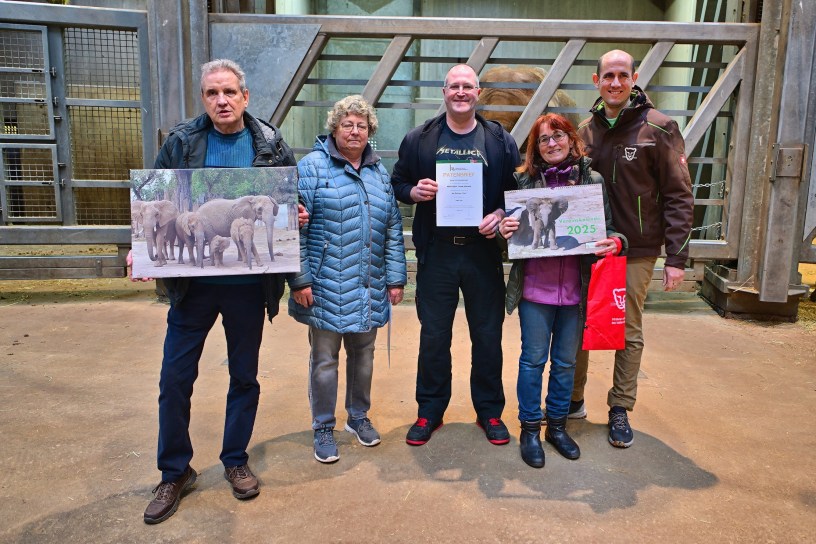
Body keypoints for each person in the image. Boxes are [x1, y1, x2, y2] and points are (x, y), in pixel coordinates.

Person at [143, 59, 305, 524]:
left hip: (247, 289)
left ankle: (235, 458)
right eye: (212, 93)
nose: (222, 100)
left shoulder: (270, 143)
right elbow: (154, 196)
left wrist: (298, 215)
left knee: (244, 376)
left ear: (245, 96)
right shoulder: (181, 142)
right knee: (174, 379)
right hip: (191, 288)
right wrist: (141, 252)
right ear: (203, 98)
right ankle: (175, 471)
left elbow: (289, 201)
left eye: (229, 92)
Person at [391, 64, 521, 446]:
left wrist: (500, 214)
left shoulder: (499, 139)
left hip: (482, 252)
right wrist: (414, 192)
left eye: (467, 86)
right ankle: (429, 411)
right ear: (444, 92)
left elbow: (515, 192)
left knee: (487, 336)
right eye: (454, 86)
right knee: (434, 337)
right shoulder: (419, 138)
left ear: (477, 92)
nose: (460, 92)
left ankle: (490, 412)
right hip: (437, 253)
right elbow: (398, 181)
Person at [571, 49, 694, 448]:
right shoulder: (584, 131)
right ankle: (572, 399)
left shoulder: (659, 128)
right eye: (608, 76)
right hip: (588, 246)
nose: (615, 83)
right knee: (579, 323)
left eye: (623, 75)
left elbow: (679, 194)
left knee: (626, 326)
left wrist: (676, 257)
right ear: (597, 81)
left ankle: (620, 406)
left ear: (634, 78)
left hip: (636, 248)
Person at [499, 113, 626, 468]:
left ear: (571, 139)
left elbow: (610, 229)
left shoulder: (591, 180)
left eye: (558, 136)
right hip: (534, 291)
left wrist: (616, 243)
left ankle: (557, 426)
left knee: (566, 363)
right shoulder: (523, 182)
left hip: (575, 291)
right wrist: (503, 232)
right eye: (543, 139)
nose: (551, 143)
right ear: (535, 147)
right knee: (532, 360)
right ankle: (529, 428)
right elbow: (508, 242)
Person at [289, 95, 407, 463]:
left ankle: (358, 417)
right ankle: (323, 426)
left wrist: (395, 278)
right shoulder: (311, 168)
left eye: (361, 125)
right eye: (347, 124)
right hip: (324, 284)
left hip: (369, 282)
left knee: (364, 356)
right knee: (325, 359)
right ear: (334, 128)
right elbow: (294, 228)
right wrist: (300, 280)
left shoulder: (379, 172)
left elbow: (393, 227)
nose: (354, 131)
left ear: (369, 131)